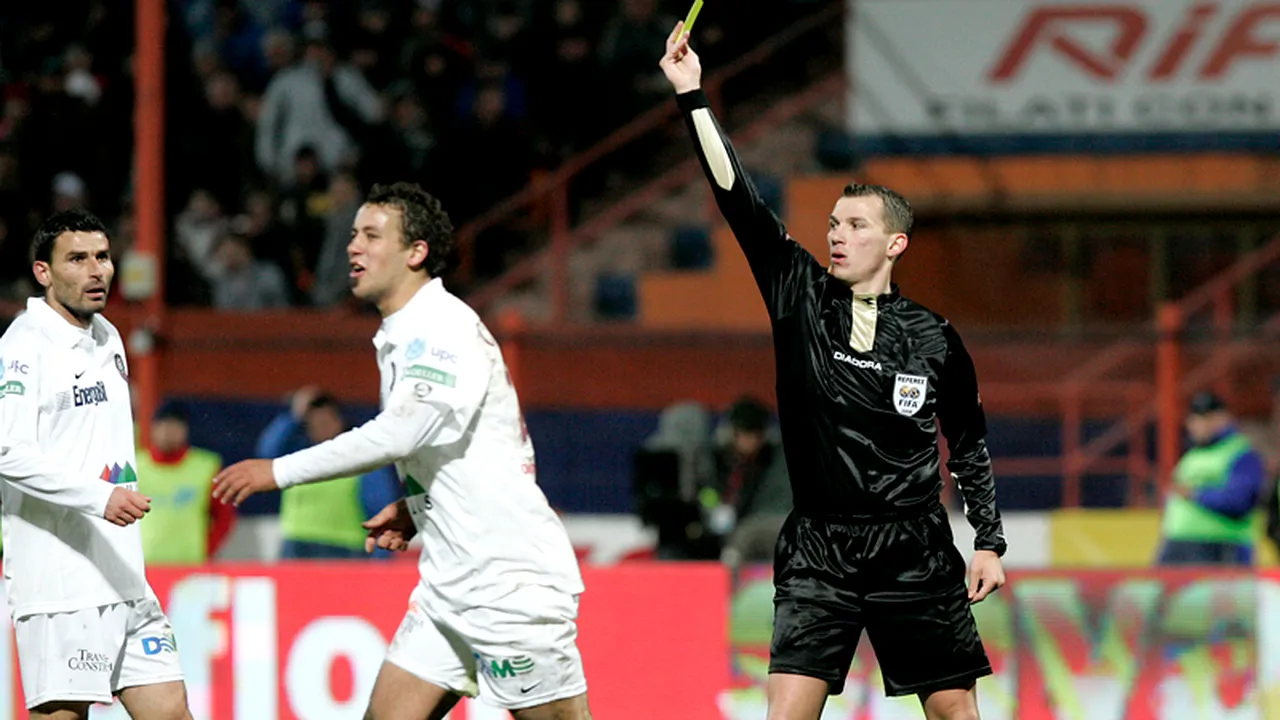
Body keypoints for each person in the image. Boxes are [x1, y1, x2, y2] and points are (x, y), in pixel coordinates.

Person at [660, 25, 1006, 720]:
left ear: (895, 242)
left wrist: (989, 541)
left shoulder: (934, 338)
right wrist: (692, 95)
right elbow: (739, 199)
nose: (836, 235)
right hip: (819, 545)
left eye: (855, 224)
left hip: (914, 546)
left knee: (953, 714)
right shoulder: (799, 294)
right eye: (832, 223)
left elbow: (967, 443)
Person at [213, 182, 591, 719]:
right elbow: (450, 441)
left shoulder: (440, 329)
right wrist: (418, 507)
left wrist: (278, 470)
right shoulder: (406, 334)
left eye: (371, 235)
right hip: (448, 589)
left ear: (415, 253)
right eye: (352, 235)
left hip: (507, 584)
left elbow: (399, 433)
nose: (353, 247)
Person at [0, 209, 192, 719]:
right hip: (61, 582)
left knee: (172, 711)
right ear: (44, 272)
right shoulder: (23, 347)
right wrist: (99, 496)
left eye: (103, 257)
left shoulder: (107, 335)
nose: (96, 271)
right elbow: (5, 450)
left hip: (124, 574)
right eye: (77, 259)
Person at [255, 386, 401, 560]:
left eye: (326, 420)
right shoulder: (297, 460)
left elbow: (381, 509)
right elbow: (266, 453)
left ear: (339, 421)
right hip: (297, 546)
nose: (321, 426)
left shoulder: (361, 460)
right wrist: (293, 415)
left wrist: (381, 559)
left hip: (344, 549)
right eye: (314, 421)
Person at [1157, 391, 1264, 566]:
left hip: (1220, 547)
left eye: (1207, 418)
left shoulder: (1240, 454)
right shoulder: (1193, 455)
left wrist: (1195, 494)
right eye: (1196, 419)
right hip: (1179, 545)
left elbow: (1240, 502)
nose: (1199, 425)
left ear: (1223, 418)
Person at [136, 400, 237, 565]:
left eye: (175, 426)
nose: (168, 432)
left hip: (190, 566)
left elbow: (224, 516)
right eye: (163, 425)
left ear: (185, 430)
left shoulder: (206, 466)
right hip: (144, 565)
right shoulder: (135, 466)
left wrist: (206, 549)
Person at [703, 396, 792, 567]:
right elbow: (707, 491)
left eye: (754, 436)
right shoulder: (718, 459)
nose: (749, 442)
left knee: (745, 536)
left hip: (754, 527)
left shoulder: (773, 460)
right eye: (743, 435)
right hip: (719, 527)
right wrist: (714, 508)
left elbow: (774, 505)